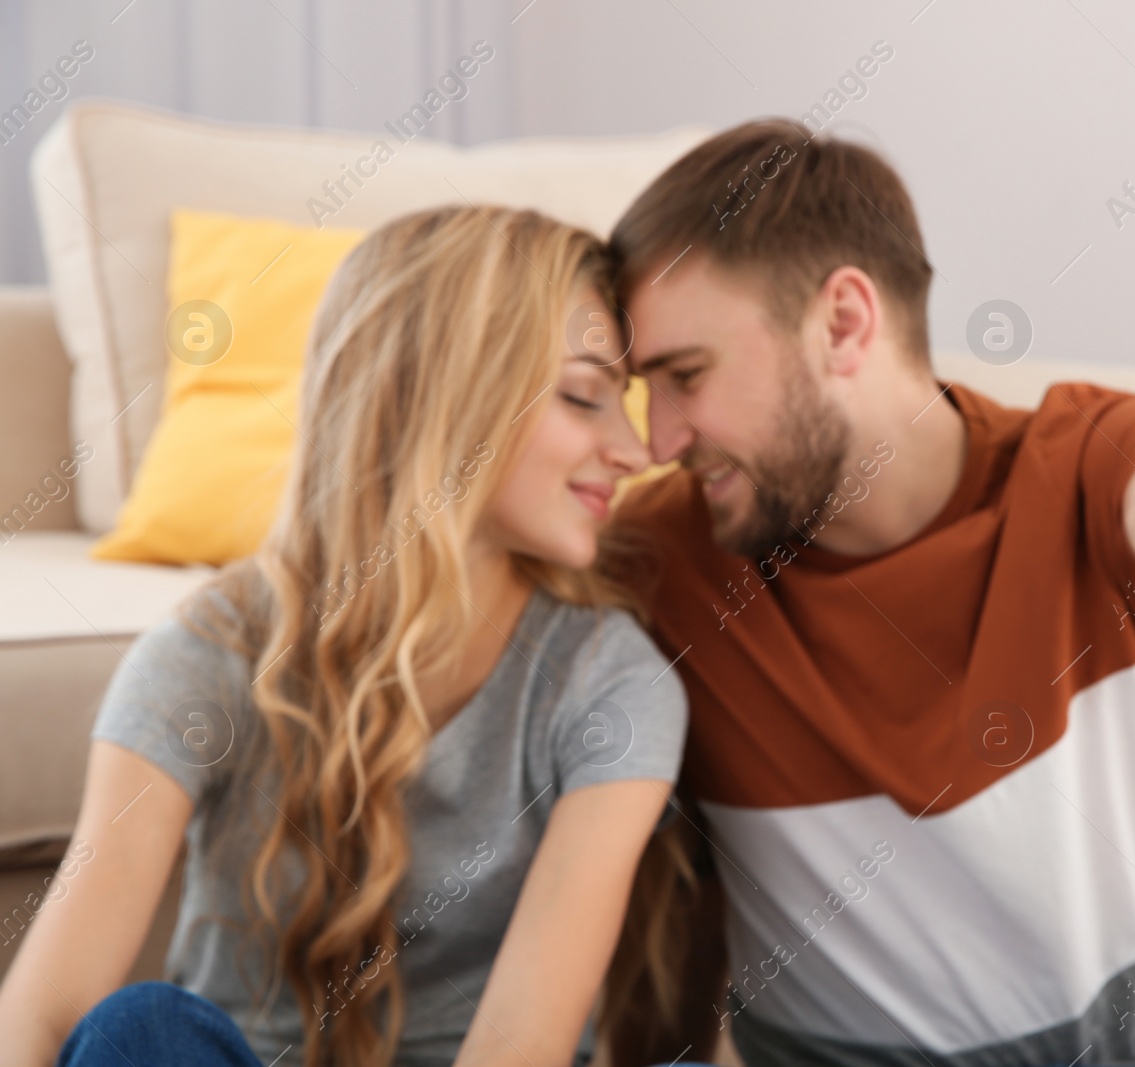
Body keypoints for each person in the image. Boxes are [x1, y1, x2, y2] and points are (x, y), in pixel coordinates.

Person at [602, 120, 1135, 1065]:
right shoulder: (661, 556)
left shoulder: (1082, 465)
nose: (659, 439)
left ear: (844, 321)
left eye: (685, 376)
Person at [0, 206, 701, 1067]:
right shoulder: (208, 655)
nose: (636, 450)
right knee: (138, 1028)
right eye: (585, 396)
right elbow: (44, 1014)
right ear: (441, 396)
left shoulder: (609, 682)